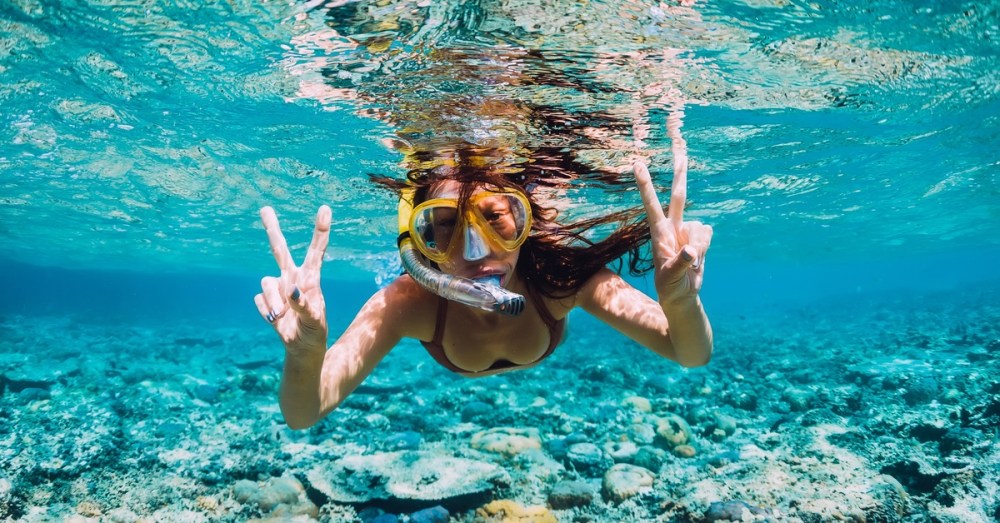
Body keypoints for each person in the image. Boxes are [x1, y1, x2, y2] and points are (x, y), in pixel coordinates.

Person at [254, 149, 713, 430]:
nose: (475, 252)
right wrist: (305, 355)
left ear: (524, 222)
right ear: (421, 243)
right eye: (446, 225)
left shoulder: (557, 280)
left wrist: (680, 303)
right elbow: (303, 414)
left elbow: (690, 352)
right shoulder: (408, 303)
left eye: (495, 218)